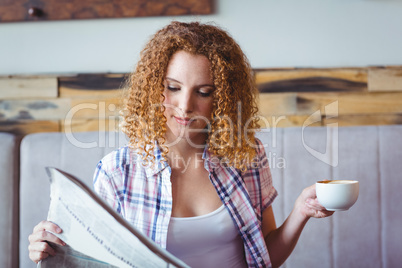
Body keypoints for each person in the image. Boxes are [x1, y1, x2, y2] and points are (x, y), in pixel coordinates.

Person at [28, 21, 333, 268]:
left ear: (223, 97)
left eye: (203, 92)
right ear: (153, 87)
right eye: (173, 88)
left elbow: (266, 259)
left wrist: (300, 212)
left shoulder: (247, 156)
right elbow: (94, 261)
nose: (185, 106)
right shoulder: (116, 172)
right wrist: (51, 250)